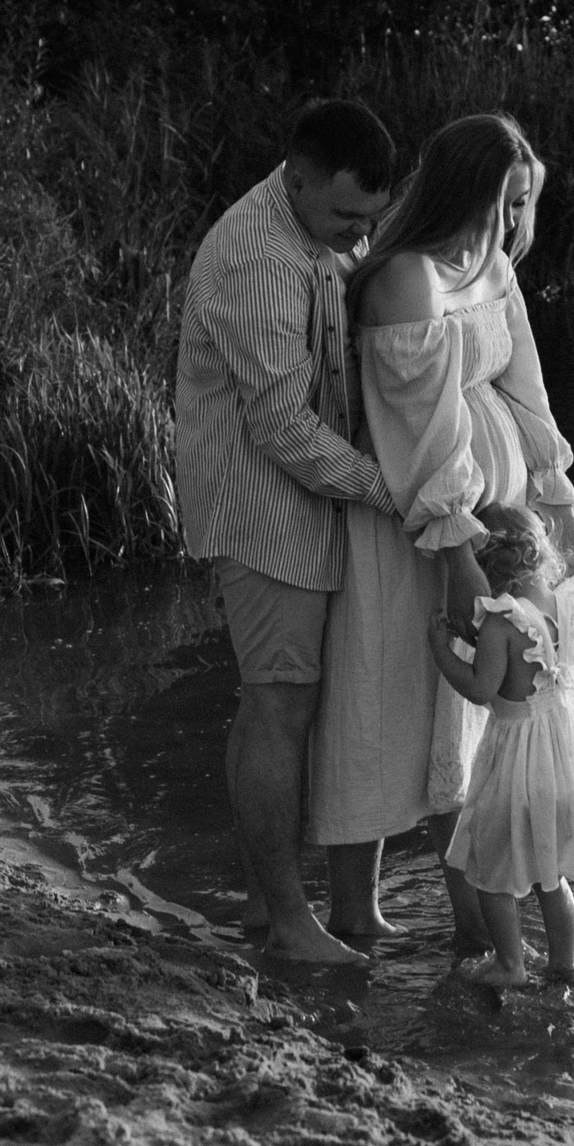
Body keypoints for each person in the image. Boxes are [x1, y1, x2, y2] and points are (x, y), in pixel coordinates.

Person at [305, 112, 574, 951]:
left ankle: (479, 930)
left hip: (495, 536)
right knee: (381, 704)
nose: (511, 223)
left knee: (479, 726)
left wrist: (562, 513)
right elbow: (424, 432)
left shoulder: (495, 269)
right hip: (423, 535)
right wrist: (457, 550)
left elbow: (525, 393)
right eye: (502, 202)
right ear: (461, 189)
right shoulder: (408, 279)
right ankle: (356, 911)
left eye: (522, 204)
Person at [174, 99, 399, 964]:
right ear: (296, 177)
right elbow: (282, 429)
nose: (359, 236)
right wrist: (392, 488)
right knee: (278, 701)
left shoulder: (322, 232)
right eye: (345, 215)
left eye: (370, 219)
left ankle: (332, 910)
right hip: (264, 511)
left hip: (325, 502)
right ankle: (286, 921)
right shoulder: (258, 258)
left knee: (329, 698)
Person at [427, 501, 574, 988]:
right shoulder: (570, 606)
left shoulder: (501, 622)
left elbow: (482, 690)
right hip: (565, 765)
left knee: (489, 870)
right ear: (540, 551)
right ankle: (564, 965)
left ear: (486, 565)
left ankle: (510, 964)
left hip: (516, 767)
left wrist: (443, 652)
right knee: (551, 876)